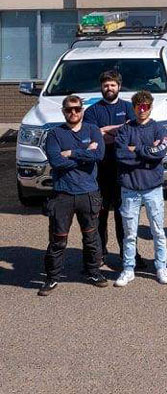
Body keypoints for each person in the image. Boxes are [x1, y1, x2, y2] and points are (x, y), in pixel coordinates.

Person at [38, 95, 107, 296]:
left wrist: (70, 153)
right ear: (63, 111)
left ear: (82, 110)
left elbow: (99, 155)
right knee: (58, 239)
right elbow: (56, 162)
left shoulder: (92, 130)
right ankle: (52, 277)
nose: (73, 112)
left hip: (88, 193)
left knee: (91, 237)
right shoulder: (55, 134)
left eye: (77, 109)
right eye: (69, 109)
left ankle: (93, 272)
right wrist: (85, 153)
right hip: (63, 194)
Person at [83, 70, 145, 270]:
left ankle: (129, 254)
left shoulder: (128, 108)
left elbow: (131, 135)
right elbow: (93, 137)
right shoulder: (92, 111)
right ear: (101, 87)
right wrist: (118, 131)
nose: (109, 88)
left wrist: (105, 132)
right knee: (100, 215)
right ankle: (99, 254)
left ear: (119, 86)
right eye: (106, 85)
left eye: (112, 85)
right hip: (100, 172)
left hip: (123, 171)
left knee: (124, 215)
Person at [114, 91, 167, 287]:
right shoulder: (125, 130)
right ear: (134, 108)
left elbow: (160, 153)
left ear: (150, 107)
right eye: (138, 106)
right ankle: (128, 269)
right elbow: (121, 155)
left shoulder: (159, 130)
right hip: (130, 188)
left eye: (145, 106)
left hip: (153, 188)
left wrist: (136, 149)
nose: (142, 110)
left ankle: (161, 267)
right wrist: (147, 152)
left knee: (158, 231)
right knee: (129, 233)